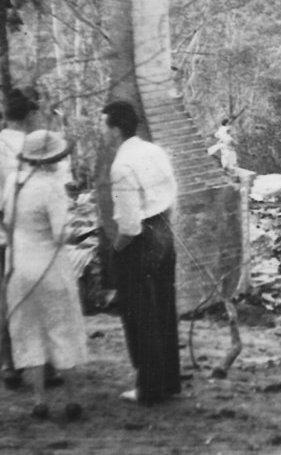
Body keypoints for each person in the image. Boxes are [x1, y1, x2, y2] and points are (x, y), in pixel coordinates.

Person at [0, 86, 64, 389]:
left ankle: (11, 364)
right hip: (34, 231)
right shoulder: (39, 147)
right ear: (31, 114)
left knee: (10, 298)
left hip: (4, 229)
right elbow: (54, 191)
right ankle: (45, 365)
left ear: (5, 114)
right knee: (41, 296)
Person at [101, 100, 182, 404]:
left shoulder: (122, 166)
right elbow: (173, 192)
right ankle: (168, 382)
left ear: (115, 129)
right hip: (164, 231)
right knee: (163, 309)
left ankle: (149, 388)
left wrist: (115, 250)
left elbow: (129, 225)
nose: (103, 132)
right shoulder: (154, 151)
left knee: (141, 316)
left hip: (141, 240)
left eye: (104, 126)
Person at [3, 130, 87, 421]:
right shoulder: (51, 187)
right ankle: (71, 399)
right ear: (52, 159)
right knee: (60, 329)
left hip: (18, 265)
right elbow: (60, 233)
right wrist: (73, 225)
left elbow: (8, 221)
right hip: (49, 268)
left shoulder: (13, 182)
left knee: (29, 330)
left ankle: (39, 400)